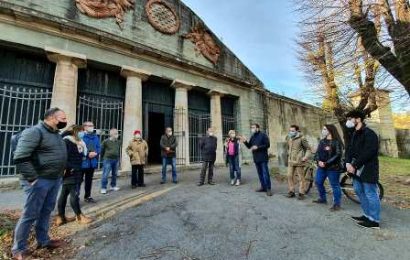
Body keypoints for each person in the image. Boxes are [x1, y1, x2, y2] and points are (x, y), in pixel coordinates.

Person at [12, 108, 68, 259]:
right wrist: (32, 178)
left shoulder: (56, 134)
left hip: (54, 179)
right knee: (30, 213)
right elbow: (20, 157)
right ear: (51, 118)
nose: (65, 121)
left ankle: (43, 241)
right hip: (39, 180)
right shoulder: (34, 132)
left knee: (46, 210)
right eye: (62, 118)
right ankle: (18, 249)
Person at [345, 109, 381, 229]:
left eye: (350, 119)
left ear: (358, 119)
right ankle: (367, 215)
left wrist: (354, 165)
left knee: (370, 193)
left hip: (368, 169)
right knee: (359, 191)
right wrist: (347, 163)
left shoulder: (369, 133)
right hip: (355, 169)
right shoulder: (354, 133)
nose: (348, 121)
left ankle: (374, 220)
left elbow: (369, 152)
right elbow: (350, 150)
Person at [56, 125, 93, 226]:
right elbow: (64, 157)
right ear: (75, 132)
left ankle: (61, 217)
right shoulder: (68, 141)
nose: (83, 133)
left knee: (64, 193)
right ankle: (79, 216)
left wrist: (88, 153)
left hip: (74, 169)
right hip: (72, 171)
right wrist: (70, 167)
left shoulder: (77, 142)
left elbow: (77, 154)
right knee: (74, 194)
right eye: (81, 131)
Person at [313, 124, 344, 211]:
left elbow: (338, 155)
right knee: (318, 182)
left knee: (335, 185)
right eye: (323, 129)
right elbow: (317, 153)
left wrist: (326, 163)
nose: (323, 131)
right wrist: (318, 161)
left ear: (330, 130)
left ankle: (337, 204)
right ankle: (323, 199)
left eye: (325, 129)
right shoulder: (322, 141)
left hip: (333, 168)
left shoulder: (336, 142)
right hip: (321, 167)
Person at [240, 123, 272, 196]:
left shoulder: (263, 135)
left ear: (258, 128)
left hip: (263, 157)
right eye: (251, 128)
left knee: (265, 173)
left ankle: (268, 188)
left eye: (253, 127)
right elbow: (249, 146)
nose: (252, 129)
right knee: (260, 174)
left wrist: (258, 147)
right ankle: (263, 187)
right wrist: (245, 141)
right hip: (256, 158)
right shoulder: (253, 136)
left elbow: (267, 145)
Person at [285, 125, 311, 200]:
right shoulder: (289, 137)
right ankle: (291, 191)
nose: (291, 132)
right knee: (289, 176)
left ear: (297, 131)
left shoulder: (302, 138)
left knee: (300, 177)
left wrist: (305, 157)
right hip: (290, 161)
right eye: (290, 130)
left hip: (299, 160)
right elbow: (288, 148)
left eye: (293, 131)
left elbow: (308, 149)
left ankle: (301, 193)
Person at [80, 121, 100, 203]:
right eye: (89, 126)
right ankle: (75, 196)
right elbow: (78, 147)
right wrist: (87, 154)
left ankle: (87, 196)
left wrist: (96, 153)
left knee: (89, 180)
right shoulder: (81, 136)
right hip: (82, 162)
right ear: (84, 127)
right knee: (78, 180)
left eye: (92, 125)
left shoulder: (95, 136)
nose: (91, 127)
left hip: (92, 162)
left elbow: (99, 147)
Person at [100, 128, 121, 194]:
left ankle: (113, 185)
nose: (117, 135)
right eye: (115, 133)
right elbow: (102, 150)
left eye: (117, 133)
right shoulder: (105, 141)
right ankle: (103, 188)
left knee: (114, 173)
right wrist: (104, 157)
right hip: (108, 159)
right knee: (105, 174)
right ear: (111, 134)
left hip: (116, 159)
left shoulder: (118, 141)